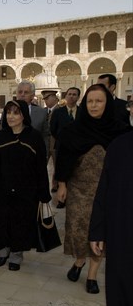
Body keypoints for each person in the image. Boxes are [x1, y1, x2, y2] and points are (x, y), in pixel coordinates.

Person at [55, 84, 130, 294]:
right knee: (79, 230)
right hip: (79, 189)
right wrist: (62, 184)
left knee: (101, 232)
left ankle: (92, 275)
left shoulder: (119, 131)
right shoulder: (73, 130)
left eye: (99, 101)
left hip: (108, 191)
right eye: (90, 101)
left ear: (107, 104)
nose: (94, 105)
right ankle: (79, 260)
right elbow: (63, 159)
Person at [0, 100, 51, 271]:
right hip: (2, 191)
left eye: (16, 112)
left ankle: (16, 255)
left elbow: (40, 167)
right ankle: (2, 252)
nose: (11, 116)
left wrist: (44, 193)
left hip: (26, 192)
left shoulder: (34, 137)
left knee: (20, 223)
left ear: (24, 115)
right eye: (8, 112)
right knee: (1, 223)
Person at [89, 130, 133, 306]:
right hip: (123, 230)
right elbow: (104, 189)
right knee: (121, 288)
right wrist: (97, 230)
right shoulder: (120, 145)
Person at [50, 87, 80, 204]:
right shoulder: (58, 112)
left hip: (78, 147)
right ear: (65, 96)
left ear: (78, 97)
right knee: (62, 172)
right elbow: (53, 129)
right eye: (69, 94)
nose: (71, 96)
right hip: (62, 147)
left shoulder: (82, 111)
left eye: (74, 94)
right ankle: (62, 200)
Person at [17, 80, 50, 154]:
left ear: (32, 95)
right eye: (20, 92)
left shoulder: (42, 113)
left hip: (35, 155)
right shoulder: (8, 112)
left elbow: (45, 136)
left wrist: (45, 154)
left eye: (26, 92)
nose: (22, 95)